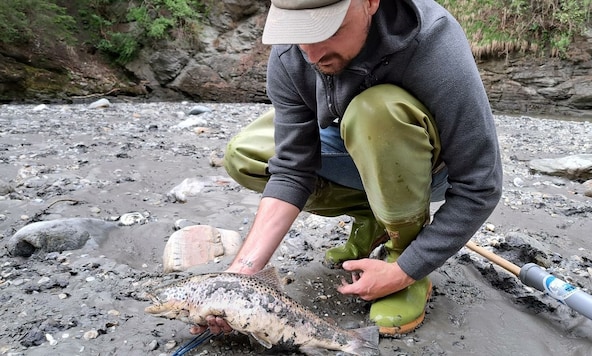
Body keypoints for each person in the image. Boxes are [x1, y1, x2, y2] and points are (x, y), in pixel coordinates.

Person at [193, 0, 502, 336]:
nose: (312, 54)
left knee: (374, 113)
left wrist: (406, 269)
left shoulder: (433, 42)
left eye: (328, 29)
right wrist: (240, 275)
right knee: (245, 155)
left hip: (429, 167)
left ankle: (401, 247)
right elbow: (292, 169)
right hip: (356, 147)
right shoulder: (292, 54)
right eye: (299, 33)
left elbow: (480, 184)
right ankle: (375, 217)